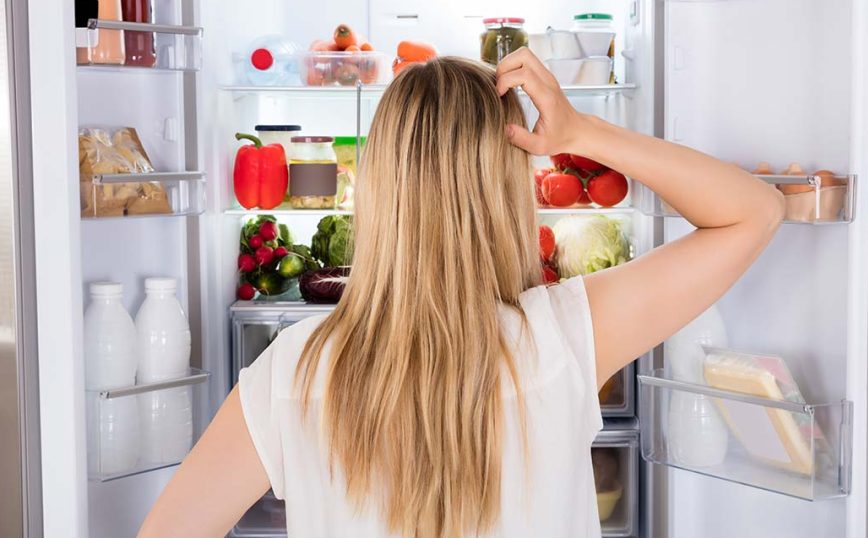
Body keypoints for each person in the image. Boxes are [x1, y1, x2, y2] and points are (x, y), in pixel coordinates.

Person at [138, 50, 784, 538]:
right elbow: (753, 212)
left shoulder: (291, 367)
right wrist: (581, 133)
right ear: (507, 185)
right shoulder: (565, 333)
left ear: (381, 183)